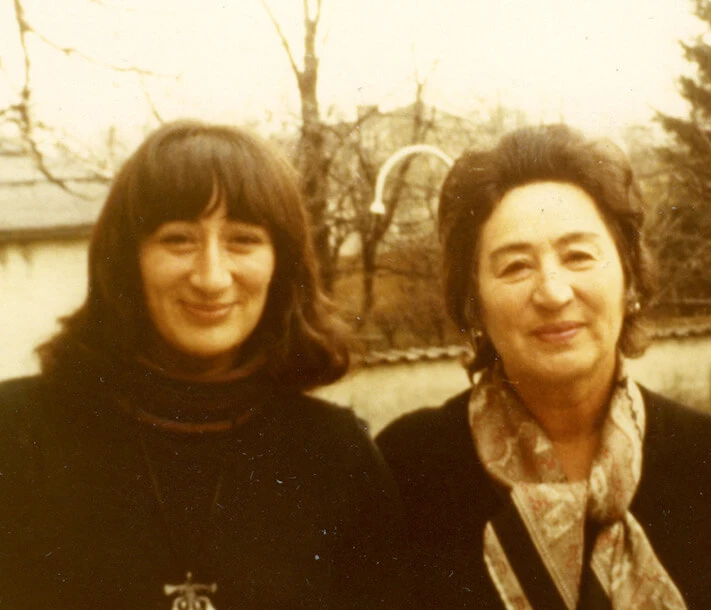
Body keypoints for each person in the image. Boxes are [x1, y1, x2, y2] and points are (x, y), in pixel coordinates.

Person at [0, 120, 410, 608]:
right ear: (127, 260)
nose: (212, 277)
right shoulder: (18, 433)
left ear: (282, 265)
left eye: (242, 240)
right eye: (178, 239)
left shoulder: (336, 454)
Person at [375, 124, 711, 609]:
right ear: (473, 300)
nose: (554, 292)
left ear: (629, 277)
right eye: (516, 266)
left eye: (578, 256)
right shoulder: (408, 468)